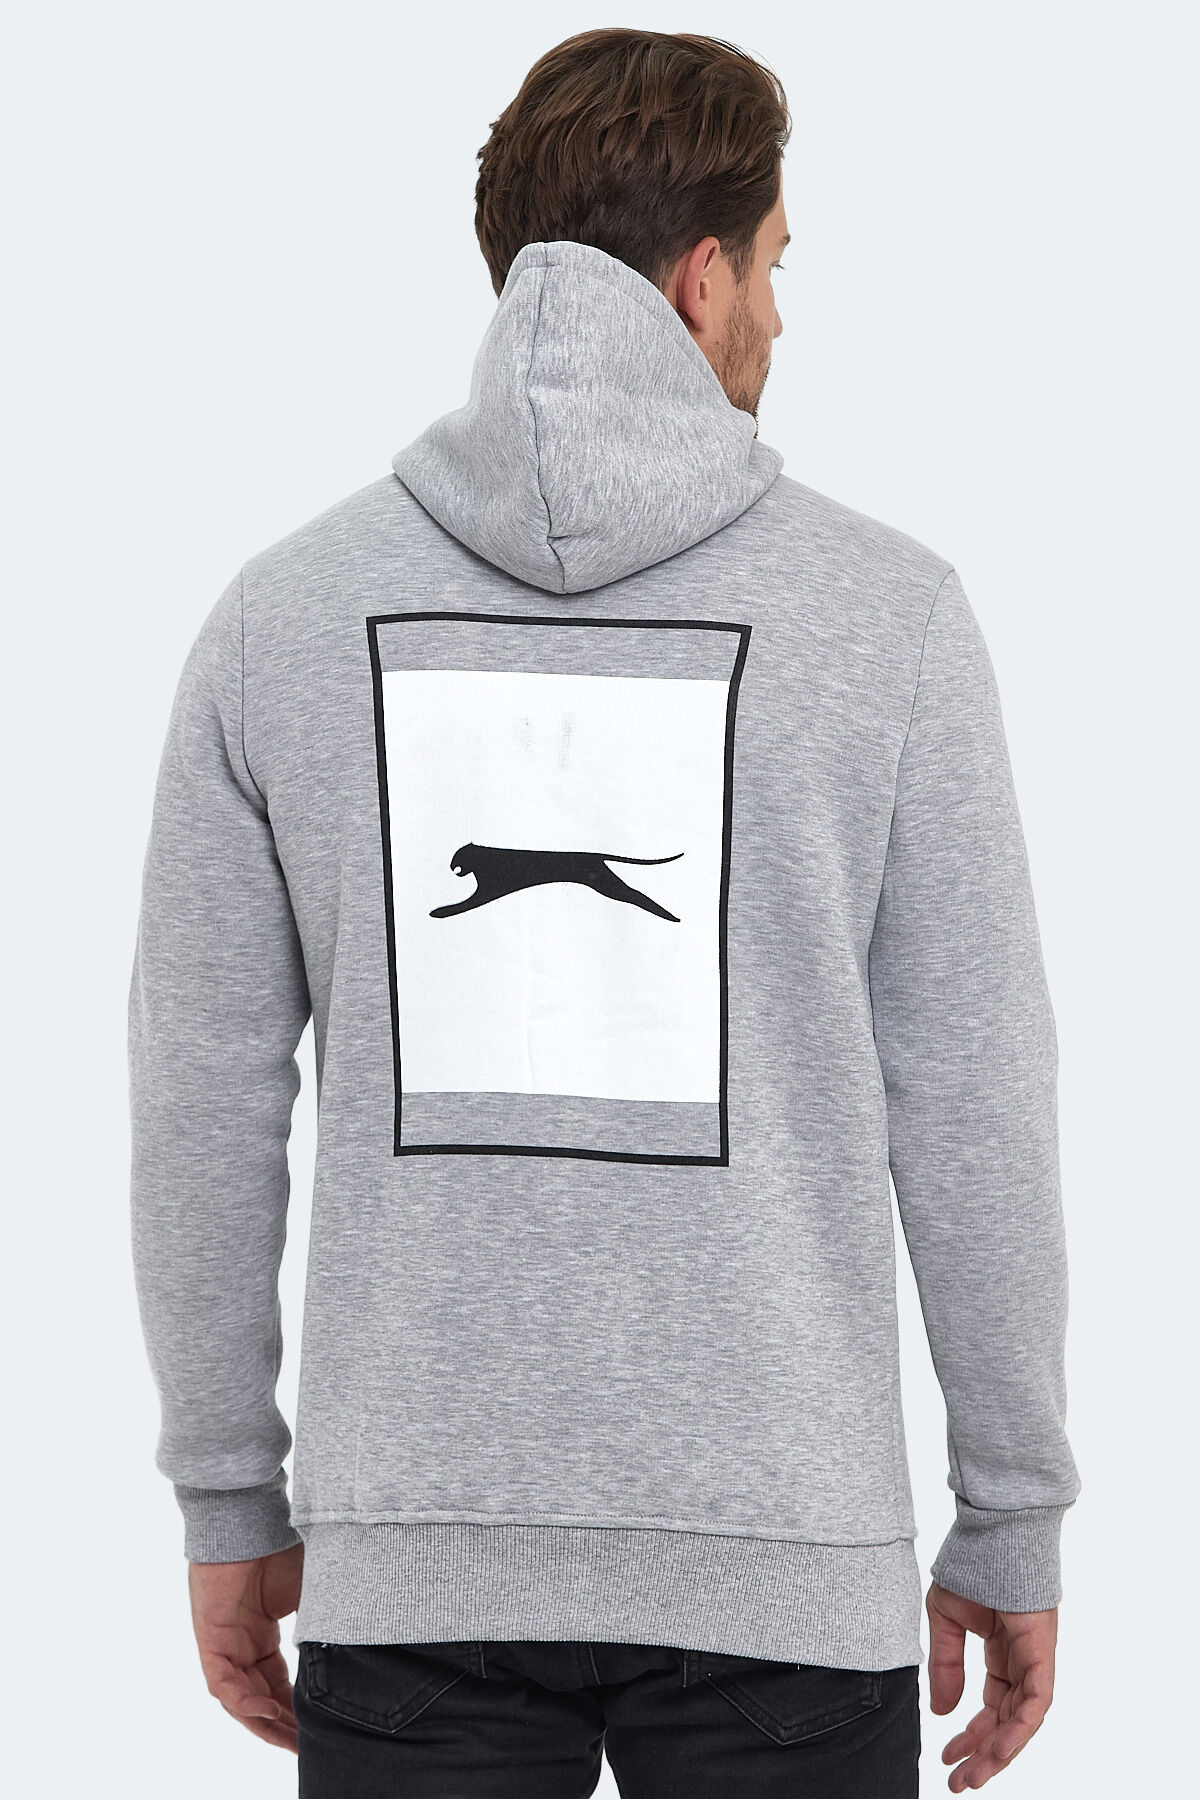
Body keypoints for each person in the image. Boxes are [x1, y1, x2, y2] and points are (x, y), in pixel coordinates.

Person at [128, 26, 1080, 1800]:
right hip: (786, 1571)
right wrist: (1011, 1511)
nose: (782, 316)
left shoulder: (280, 618)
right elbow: (975, 1099)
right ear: (701, 277)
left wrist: (230, 1499)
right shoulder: (890, 622)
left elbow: (200, 1101)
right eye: (777, 265)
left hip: (414, 1570)